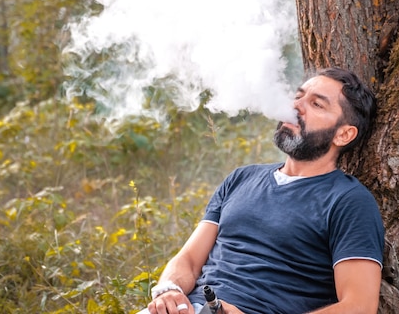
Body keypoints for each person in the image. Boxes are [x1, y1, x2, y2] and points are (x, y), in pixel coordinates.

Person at [141, 67, 384, 314]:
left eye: (316, 104)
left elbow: (359, 306)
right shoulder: (241, 178)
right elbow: (189, 260)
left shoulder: (349, 201)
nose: (296, 106)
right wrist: (169, 290)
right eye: (298, 96)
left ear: (344, 134)